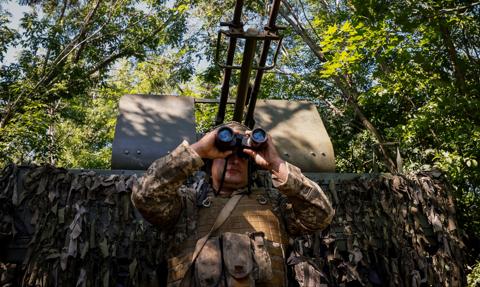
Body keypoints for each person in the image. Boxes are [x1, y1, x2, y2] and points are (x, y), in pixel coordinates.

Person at [131, 121, 334, 287]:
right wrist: (198, 150)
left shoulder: (274, 205)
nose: (235, 161)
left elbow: (321, 214)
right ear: (210, 161)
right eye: (226, 154)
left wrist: (276, 164)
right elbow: (144, 195)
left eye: (243, 156)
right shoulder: (187, 205)